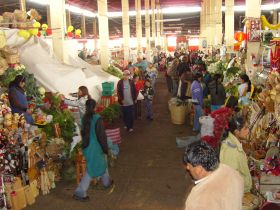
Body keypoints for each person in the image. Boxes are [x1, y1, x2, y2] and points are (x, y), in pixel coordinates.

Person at [183, 141, 244, 210]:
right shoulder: (233, 173)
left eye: (189, 165)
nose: (187, 168)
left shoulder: (198, 199)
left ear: (199, 169)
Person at [73, 99, 112, 201]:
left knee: (102, 163)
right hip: (95, 147)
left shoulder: (84, 118)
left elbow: (83, 133)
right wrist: (105, 149)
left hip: (87, 146)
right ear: (95, 107)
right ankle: (80, 192)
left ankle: (106, 182)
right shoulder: (97, 118)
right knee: (92, 170)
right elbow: (101, 136)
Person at [220, 116, 252, 193]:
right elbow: (230, 179)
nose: (248, 131)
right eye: (245, 128)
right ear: (237, 132)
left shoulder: (234, 143)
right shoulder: (230, 150)